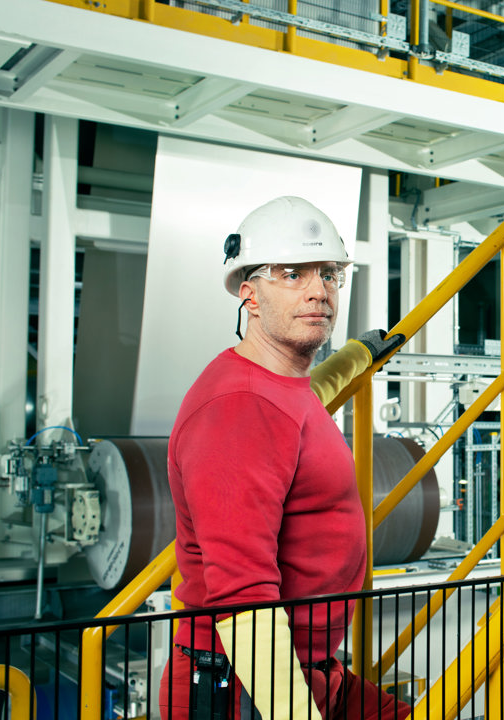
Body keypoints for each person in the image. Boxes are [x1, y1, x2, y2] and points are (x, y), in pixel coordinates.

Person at [159, 196, 409, 720]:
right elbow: (242, 596)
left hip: (308, 667)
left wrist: (357, 357)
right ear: (249, 296)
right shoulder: (238, 408)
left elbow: (307, 398)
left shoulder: (278, 388)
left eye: (330, 275)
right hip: (246, 687)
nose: (319, 290)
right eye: (293, 274)